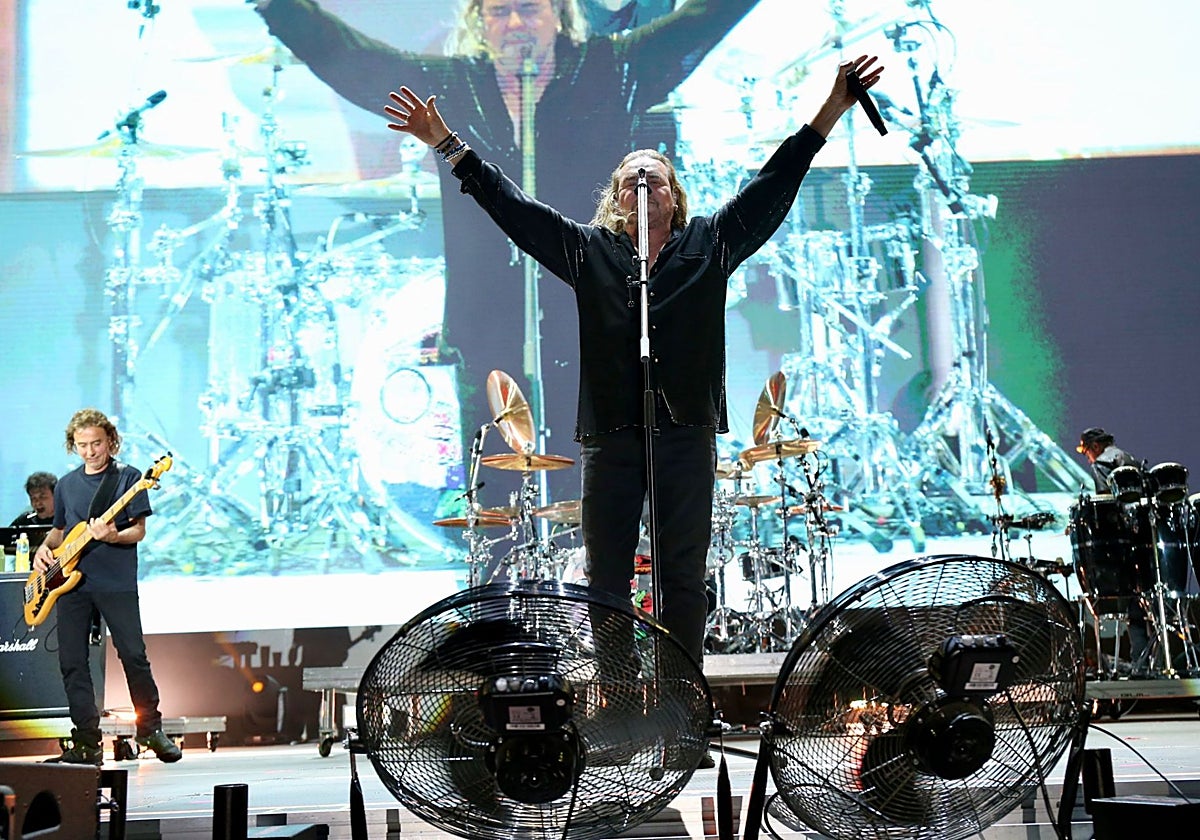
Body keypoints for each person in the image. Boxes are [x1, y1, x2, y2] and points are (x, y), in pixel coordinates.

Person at [384, 56, 884, 664]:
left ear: (674, 195)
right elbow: (513, 209)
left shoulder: (711, 243)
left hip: (685, 431)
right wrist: (447, 144)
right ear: (617, 199)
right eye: (630, 180)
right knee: (606, 579)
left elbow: (774, 183)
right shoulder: (587, 250)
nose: (642, 184)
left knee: (683, 573)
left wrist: (830, 110)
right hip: (612, 432)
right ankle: (618, 692)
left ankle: (683, 694)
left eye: (655, 178)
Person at [251, 0, 762, 504]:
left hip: (590, 311)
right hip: (486, 315)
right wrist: (278, 7)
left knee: (594, 475)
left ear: (559, 15)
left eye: (529, 9)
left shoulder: (609, 70)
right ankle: (502, 558)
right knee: (497, 477)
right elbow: (355, 60)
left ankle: (595, 555)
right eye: (499, 13)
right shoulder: (452, 87)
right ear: (480, 22)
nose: (516, 23)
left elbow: (695, 25)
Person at [33, 408, 181, 765]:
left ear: (110, 441)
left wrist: (113, 536)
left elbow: (139, 531)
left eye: (96, 444)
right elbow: (59, 531)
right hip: (70, 585)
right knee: (72, 661)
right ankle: (87, 741)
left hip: (115, 582)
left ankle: (150, 729)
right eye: (82, 445)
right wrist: (43, 549)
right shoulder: (66, 485)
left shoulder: (129, 478)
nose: (90, 452)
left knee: (133, 655)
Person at [1075, 426, 1150, 675]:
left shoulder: (1102, 464)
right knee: (1146, 602)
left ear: (1095, 447)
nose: (1088, 459)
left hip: (1122, 542)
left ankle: (1140, 664)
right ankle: (1149, 660)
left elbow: (1107, 503)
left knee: (1130, 603)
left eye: (1087, 452)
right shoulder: (1129, 458)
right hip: (1144, 537)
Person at [1077, 426, 1140, 495]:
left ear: (1095, 446)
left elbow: (1105, 499)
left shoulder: (1100, 465)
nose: (1089, 461)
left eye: (1087, 455)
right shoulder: (1131, 460)